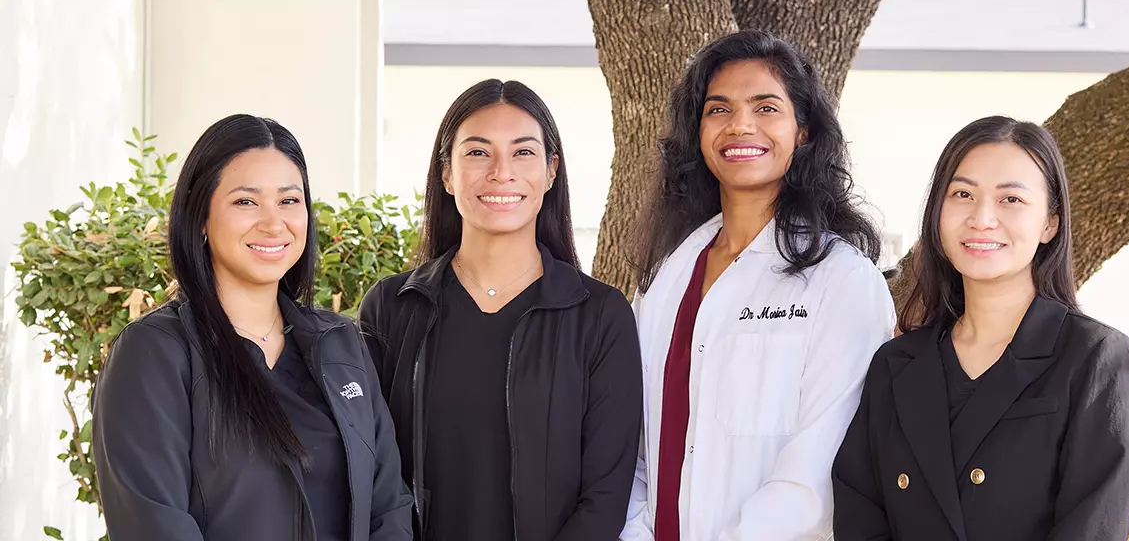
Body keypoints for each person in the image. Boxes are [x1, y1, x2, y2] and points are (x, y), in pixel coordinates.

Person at [620, 29, 896, 540]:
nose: (740, 125)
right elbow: (636, 445)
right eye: (718, 109)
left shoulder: (843, 280)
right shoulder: (665, 277)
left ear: (804, 131)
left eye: (766, 107)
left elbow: (816, 470)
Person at [93, 114, 413, 541]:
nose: (273, 222)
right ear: (200, 216)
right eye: (246, 201)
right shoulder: (155, 353)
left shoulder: (341, 344)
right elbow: (153, 524)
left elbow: (388, 505)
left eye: (289, 201)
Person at [832, 116, 1129, 540]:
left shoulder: (1093, 357)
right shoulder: (896, 364)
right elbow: (859, 516)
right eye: (962, 194)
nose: (982, 218)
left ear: (1050, 223)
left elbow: (1093, 527)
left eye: (1011, 200)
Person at [358, 79, 643, 541]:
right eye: (476, 152)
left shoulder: (601, 316)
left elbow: (607, 495)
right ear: (446, 174)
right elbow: (369, 472)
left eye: (523, 152)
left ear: (552, 171)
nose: (501, 172)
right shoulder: (391, 308)